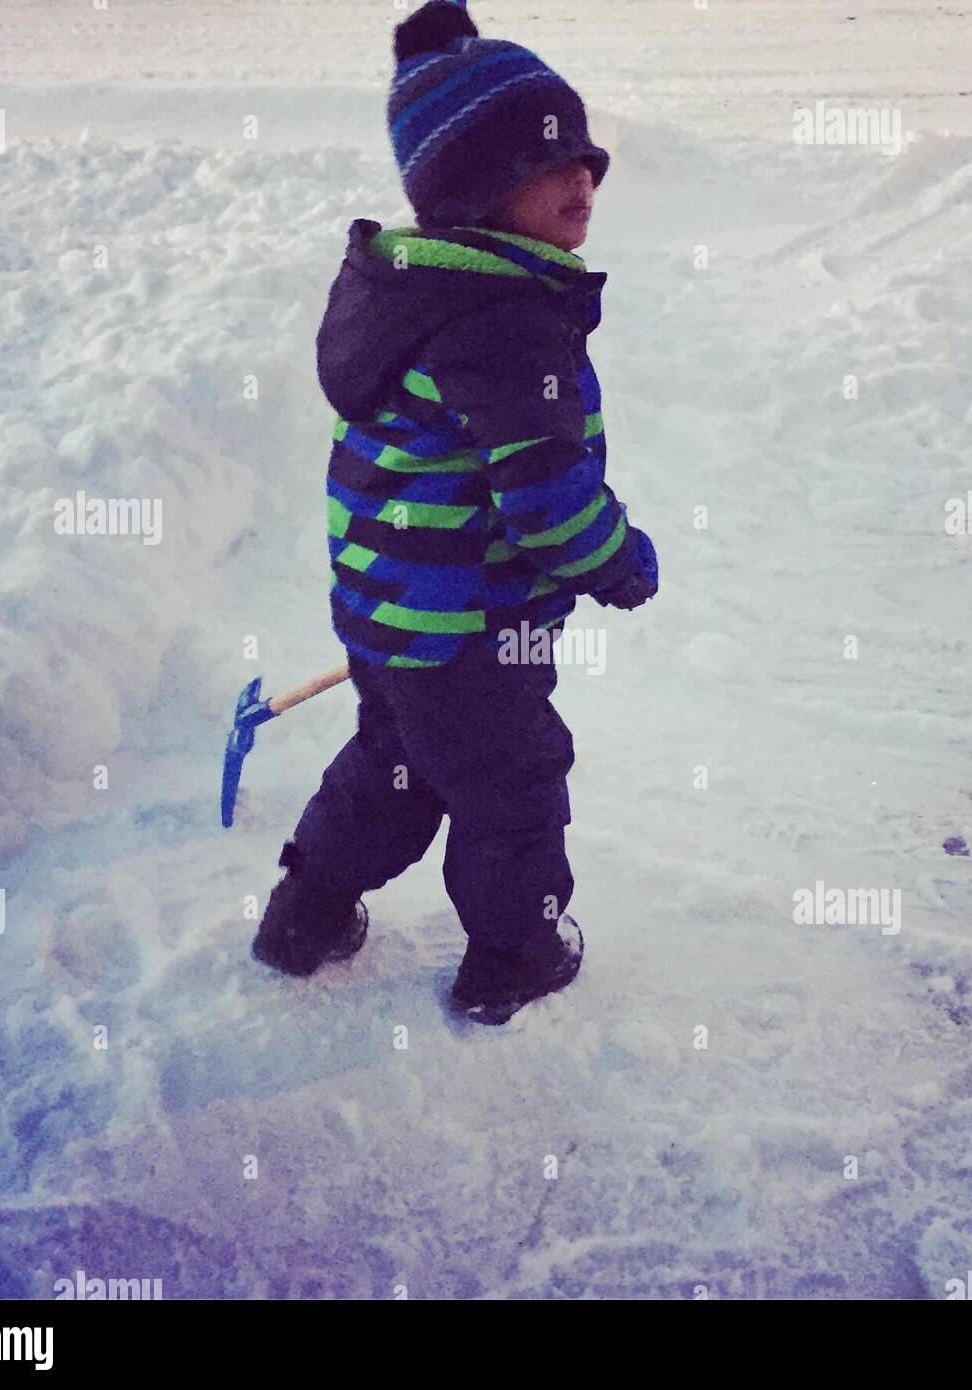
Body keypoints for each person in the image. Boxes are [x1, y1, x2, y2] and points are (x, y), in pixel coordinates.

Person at [251, 0, 658, 1025]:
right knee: (511, 783)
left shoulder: (414, 296)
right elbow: (546, 501)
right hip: (475, 629)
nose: (585, 179)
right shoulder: (507, 327)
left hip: (391, 613)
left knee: (394, 763)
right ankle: (515, 954)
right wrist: (617, 562)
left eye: (588, 159)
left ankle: (303, 915)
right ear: (477, 187)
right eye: (551, 162)